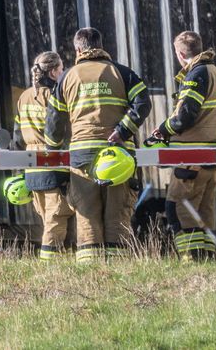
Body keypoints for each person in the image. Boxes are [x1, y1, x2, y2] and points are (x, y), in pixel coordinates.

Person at [45, 28, 151, 262]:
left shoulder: (67, 77)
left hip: (82, 154)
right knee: (118, 211)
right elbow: (143, 103)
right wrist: (122, 130)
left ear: (78, 49)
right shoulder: (122, 73)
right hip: (118, 155)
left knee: (86, 213)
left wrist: (53, 149)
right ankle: (119, 266)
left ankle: (91, 268)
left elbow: (54, 120)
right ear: (101, 45)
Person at [150, 30, 216, 260]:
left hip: (191, 156)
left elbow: (185, 116)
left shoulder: (196, 75)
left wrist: (163, 130)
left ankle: (191, 258)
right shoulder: (215, 72)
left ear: (180, 53)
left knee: (179, 209)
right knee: (204, 211)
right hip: (211, 155)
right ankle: (208, 258)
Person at [14, 51, 72, 260]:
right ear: (54, 71)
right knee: (56, 218)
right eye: (62, 68)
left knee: (47, 218)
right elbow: (64, 129)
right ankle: (49, 263)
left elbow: (17, 137)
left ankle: (58, 259)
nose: (64, 72)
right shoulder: (57, 95)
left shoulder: (24, 96)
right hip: (54, 164)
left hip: (32, 166)